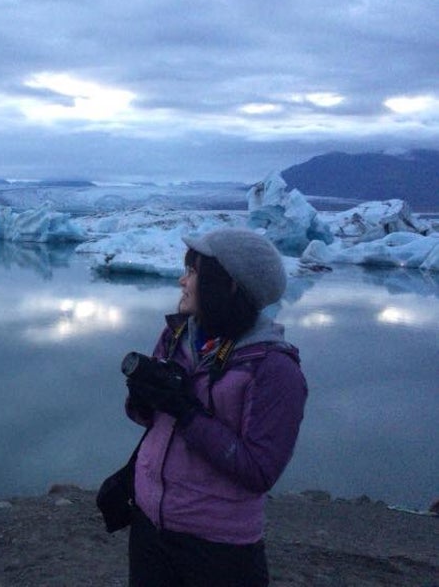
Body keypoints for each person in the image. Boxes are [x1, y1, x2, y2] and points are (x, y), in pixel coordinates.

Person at [124, 228, 307, 587]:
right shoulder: (178, 335)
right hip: (149, 526)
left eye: (193, 272)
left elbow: (260, 471)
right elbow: (150, 421)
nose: (182, 281)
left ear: (230, 285)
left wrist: (188, 414)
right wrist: (144, 398)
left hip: (218, 548)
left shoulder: (273, 369)